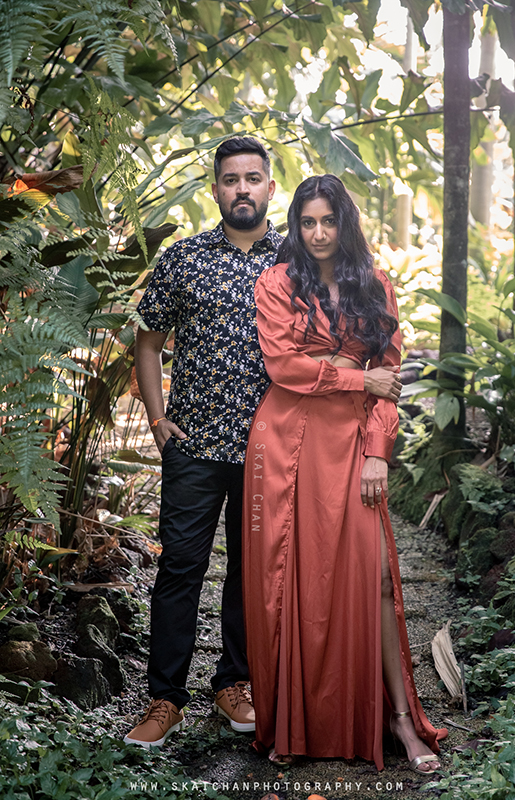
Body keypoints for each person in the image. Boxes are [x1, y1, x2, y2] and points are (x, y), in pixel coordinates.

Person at [242, 174, 447, 772]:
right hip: (289, 441)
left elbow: (392, 374)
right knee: (292, 580)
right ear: (296, 226)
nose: (318, 233)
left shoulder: (374, 285)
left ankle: (399, 718)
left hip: (356, 440)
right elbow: (283, 366)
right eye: (308, 222)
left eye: (328, 221)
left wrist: (379, 449)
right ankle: (292, 723)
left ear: (345, 223)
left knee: (375, 577)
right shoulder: (277, 282)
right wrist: (355, 375)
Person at [124, 136, 284, 748]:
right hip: (192, 444)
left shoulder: (295, 258)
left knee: (251, 573)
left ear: (269, 187)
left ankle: (234, 683)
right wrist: (157, 420)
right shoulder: (183, 258)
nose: (242, 188)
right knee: (180, 568)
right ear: (215, 189)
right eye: (231, 179)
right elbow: (147, 341)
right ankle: (165, 698)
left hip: (268, 449)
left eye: (252, 178)